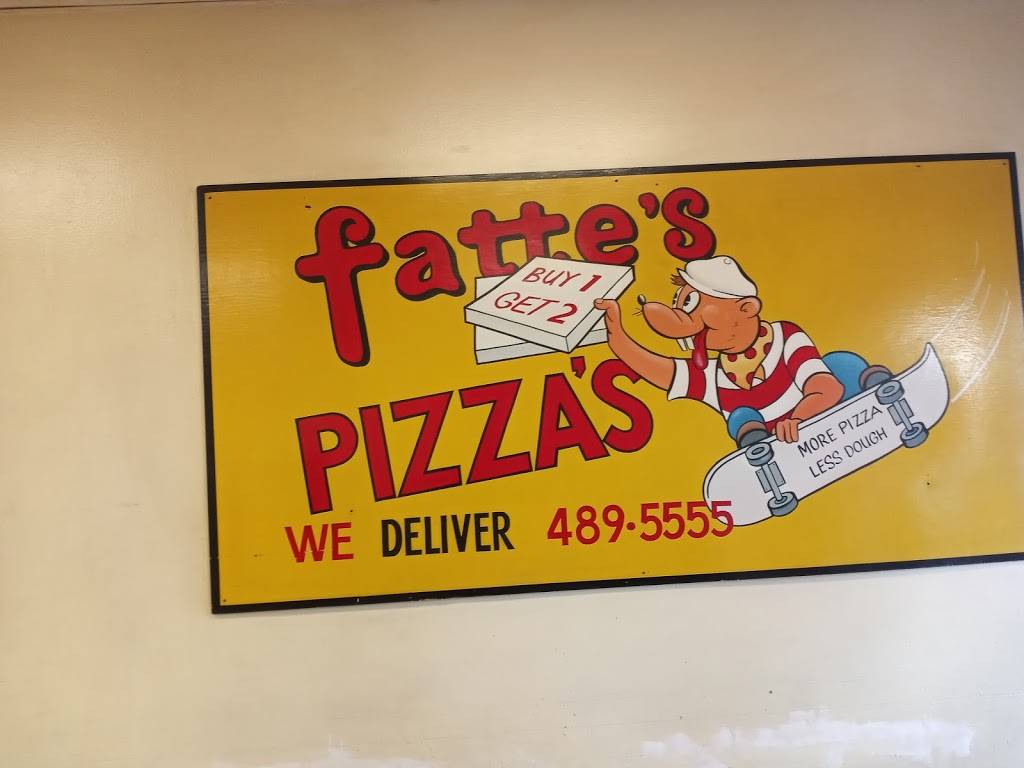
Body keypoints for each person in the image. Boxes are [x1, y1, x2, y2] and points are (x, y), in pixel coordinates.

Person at [594, 255, 867, 446]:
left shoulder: (786, 337)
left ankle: (878, 388)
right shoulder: (712, 376)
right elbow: (654, 368)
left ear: (746, 308)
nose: (679, 316)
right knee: (741, 417)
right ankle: (756, 446)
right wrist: (616, 332)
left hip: (836, 423)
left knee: (841, 363)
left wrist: (798, 420)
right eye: (680, 303)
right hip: (776, 451)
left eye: (691, 302)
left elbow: (826, 389)